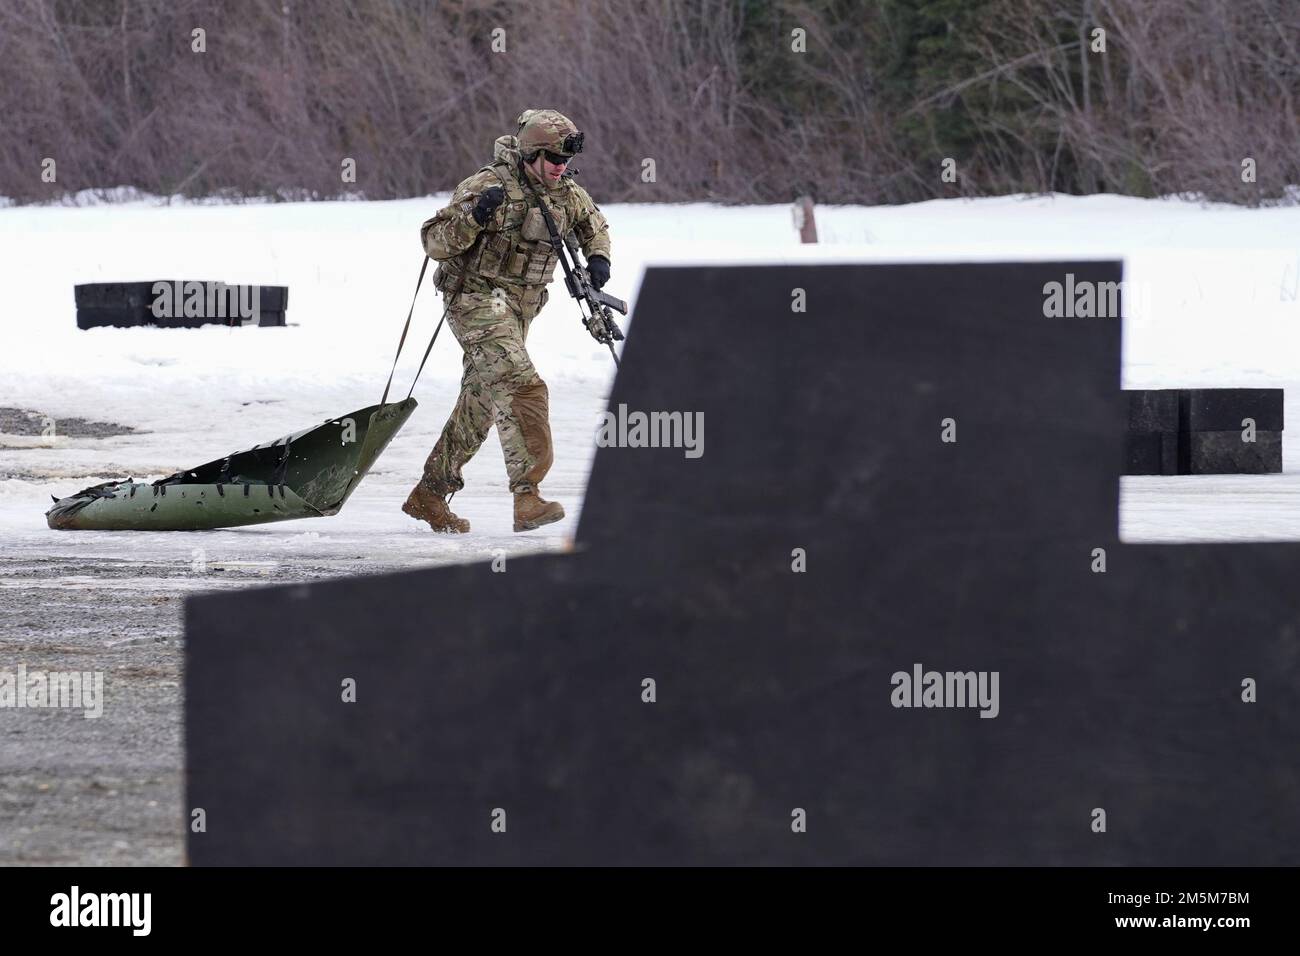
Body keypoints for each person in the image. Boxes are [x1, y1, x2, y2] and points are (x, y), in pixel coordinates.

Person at [404, 109, 612, 534]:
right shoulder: (489, 187)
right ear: (532, 154)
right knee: (521, 386)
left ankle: (429, 493)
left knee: (480, 405)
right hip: (477, 301)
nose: (560, 168)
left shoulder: (565, 192)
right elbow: (434, 241)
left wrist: (599, 258)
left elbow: (594, 225)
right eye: (553, 159)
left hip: (520, 309)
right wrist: (475, 216)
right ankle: (527, 496)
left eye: (565, 161)